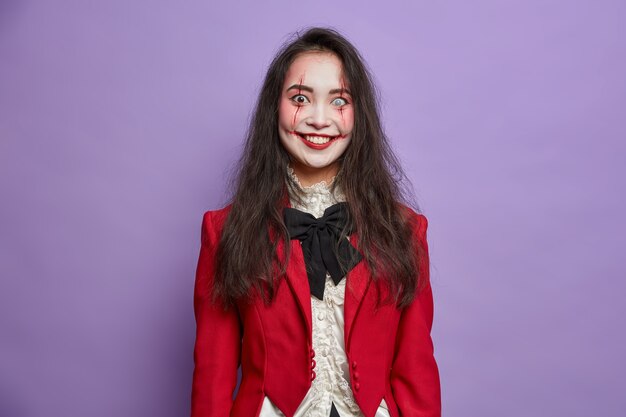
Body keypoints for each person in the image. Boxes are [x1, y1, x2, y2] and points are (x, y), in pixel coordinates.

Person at [191, 27, 441, 417]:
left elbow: (416, 370)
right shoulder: (224, 232)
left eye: (338, 100)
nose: (319, 119)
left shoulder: (405, 231)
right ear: (274, 108)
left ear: (359, 116)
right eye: (301, 99)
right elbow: (212, 375)